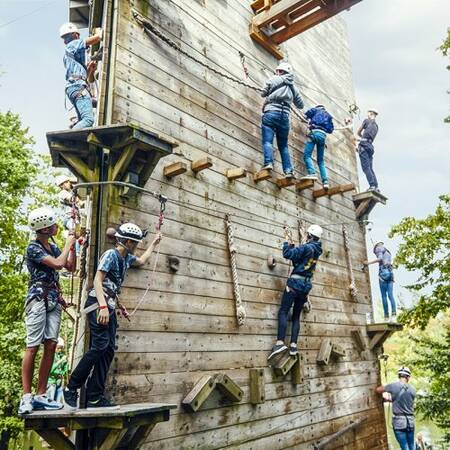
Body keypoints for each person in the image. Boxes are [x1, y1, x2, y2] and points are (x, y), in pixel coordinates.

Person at [63, 223, 162, 410]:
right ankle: (71, 388)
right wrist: (101, 306)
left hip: (108, 305)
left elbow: (141, 261)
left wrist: (154, 244)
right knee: (99, 346)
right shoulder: (111, 255)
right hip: (98, 304)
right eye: (135, 242)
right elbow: (97, 281)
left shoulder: (126, 258)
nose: (137, 245)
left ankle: (94, 397)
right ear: (127, 242)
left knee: (108, 350)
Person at [19, 207, 76, 414]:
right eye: (52, 224)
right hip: (38, 299)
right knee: (32, 346)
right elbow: (59, 264)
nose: (56, 226)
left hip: (53, 299)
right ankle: (26, 397)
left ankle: (41, 395)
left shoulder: (51, 246)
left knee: (51, 345)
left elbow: (70, 266)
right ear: (44, 229)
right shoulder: (33, 248)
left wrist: (74, 245)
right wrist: (69, 242)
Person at [268, 224, 323, 360]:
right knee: (296, 316)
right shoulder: (316, 250)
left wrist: (286, 241)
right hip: (305, 287)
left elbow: (287, 254)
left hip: (294, 284)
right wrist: (294, 248)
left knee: (284, 311)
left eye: (307, 235)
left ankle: (280, 343)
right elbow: (299, 261)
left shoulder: (305, 247)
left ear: (309, 236)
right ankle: (293, 346)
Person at [260, 62, 304, 178]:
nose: (277, 73)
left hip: (271, 113)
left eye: (278, 71)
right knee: (283, 146)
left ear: (279, 71)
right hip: (284, 117)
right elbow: (300, 105)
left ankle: (269, 163)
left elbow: (263, 93)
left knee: (267, 141)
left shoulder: (273, 79)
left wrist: (271, 93)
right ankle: (288, 171)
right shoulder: (293, 87)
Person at [60, 22, 102, 129]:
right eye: (78, 35)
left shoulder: (68, 55)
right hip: (78, 87)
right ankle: (69, 138)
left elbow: (78, 75)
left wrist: (89, 70)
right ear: (74, 35)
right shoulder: (73, 44)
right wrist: (100, 32)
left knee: (83, 121)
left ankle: (73, 135)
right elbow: (97, 38)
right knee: (88, 120)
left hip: (73, 88)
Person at [376, 366, 416, 450]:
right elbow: (405, 401)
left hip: (399, 422)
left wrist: (386, 390)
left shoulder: (393, 386)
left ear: (399, 376)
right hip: (410, 421)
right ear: (408, 377)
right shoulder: (413, 389)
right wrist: (390, 400)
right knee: (412, 446)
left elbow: (378, 390)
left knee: (404, 447)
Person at [301, 105, 334, 189]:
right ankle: (325, 181)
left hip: (314, 133)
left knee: (307, 156)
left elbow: (307, 114)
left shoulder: (316, 110)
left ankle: (312, 173)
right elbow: (331, 130)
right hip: (322, 137)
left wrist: (308, 120)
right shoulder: (329, 116)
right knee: (320, 161)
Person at [363, 241, 397, 322]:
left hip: (383, 274)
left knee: (384, 296)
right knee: (390, 295)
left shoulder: (378, 248)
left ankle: (386, 317)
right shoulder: (387, 251)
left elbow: (380, 258)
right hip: (390, 273)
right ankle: (394, 315)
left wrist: (368, 263)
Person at [356, 109, 379, 192]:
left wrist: (360, 138)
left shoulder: (366, 121)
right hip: (370, 147)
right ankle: (376, 186)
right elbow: (370, 138)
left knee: (366, 168)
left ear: (371, 114)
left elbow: (358, 132)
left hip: (363, 146)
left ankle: (372, 185)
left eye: (368, 114)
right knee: (370, 168)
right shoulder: (376, 126)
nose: (367, 115)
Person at [46, 337, 69, 404]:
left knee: (58, 402)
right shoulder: (51, 356)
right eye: (58, 348)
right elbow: (50, 370)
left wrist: (65, 364)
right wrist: (61, 361)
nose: (60, 350)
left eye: (61, 348)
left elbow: (64, 372)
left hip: (59, 383)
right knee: (50, 402)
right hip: (51, 383)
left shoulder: (61, 356)